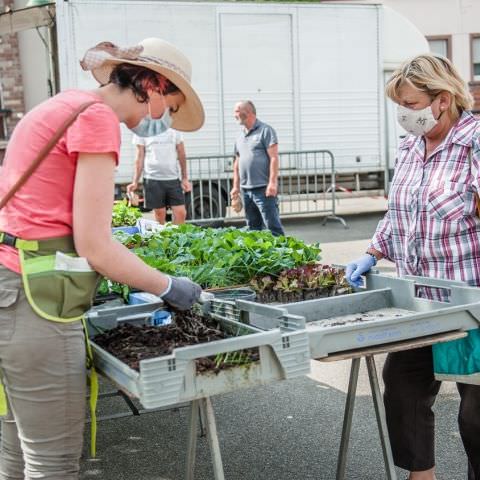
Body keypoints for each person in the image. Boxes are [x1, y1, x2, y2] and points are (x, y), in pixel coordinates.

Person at [0, 38, 205, 478]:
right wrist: (168, 286)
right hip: (33, 305)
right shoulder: (96, 119)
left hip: (9, 291)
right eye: (168, 104)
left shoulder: (64, 105)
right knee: (52, 464)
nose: (164, 118)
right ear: (151, 83)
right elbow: (94, 246)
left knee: (17, 452)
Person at [345, 54, 480, 480]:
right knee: (402, 389)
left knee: (477, 413)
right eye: (399, 104)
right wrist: (373, 250)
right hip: (418, 302)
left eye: (410, 103)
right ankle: (421, 476)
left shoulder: (474, 143)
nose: (404, 113)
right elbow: (400, 213)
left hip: (470, 304)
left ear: (442, 99)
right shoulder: (409, 147)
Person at [230, 100, 285, 236]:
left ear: (248, 112)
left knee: (273, 227)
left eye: (236, 111)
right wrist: (235, 186)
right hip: (246, 190)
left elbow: (274, 158)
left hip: (263, 189)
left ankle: (283, 255)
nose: (234, 115)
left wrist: (272, 183)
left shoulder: (266, 131)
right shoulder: (240, 135)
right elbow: (237, 161)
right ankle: (260, 256)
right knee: (253, 229)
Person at [127, 128, 191, 224]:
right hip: (152, 179)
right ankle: (162, 237)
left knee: (180, 212)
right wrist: (135, 181)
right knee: (160, 213)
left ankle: (177, 237)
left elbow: (181, 153)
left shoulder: (175, 127)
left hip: (172, 178)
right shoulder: (143, 128)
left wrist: (185, 178)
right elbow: (139, 157)